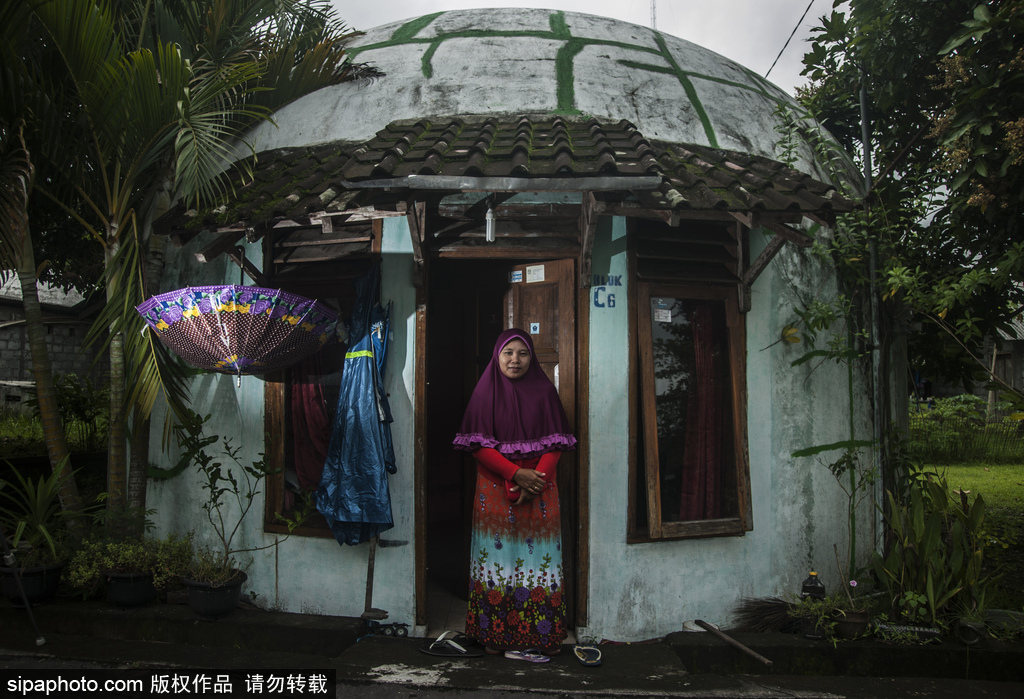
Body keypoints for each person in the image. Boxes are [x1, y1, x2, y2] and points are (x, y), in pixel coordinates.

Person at [453, 328, 577, 659]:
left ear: (532, 357)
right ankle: (495, 637)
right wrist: (515, 474)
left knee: (538, 562)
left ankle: (531, 638)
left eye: (523, 353)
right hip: (494, 490)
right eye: (508, 353)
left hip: (540, 490)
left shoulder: (545, 393)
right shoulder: (483, 394)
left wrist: (535, 481)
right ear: (497, 356)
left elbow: (557, 443)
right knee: (497, 561)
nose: (515, 360)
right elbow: (478, 445)